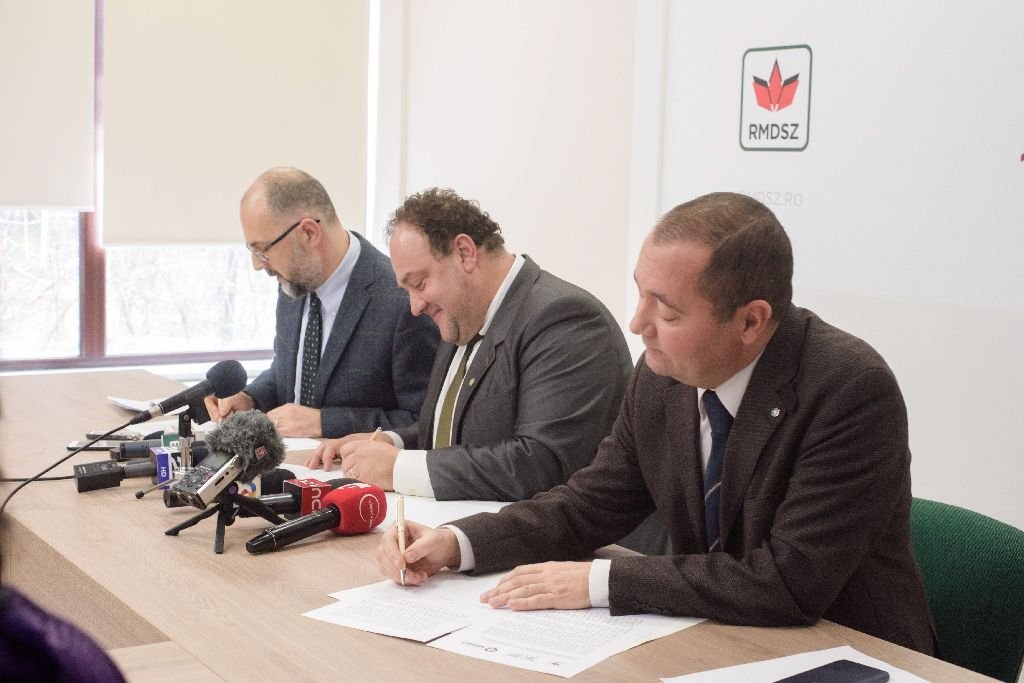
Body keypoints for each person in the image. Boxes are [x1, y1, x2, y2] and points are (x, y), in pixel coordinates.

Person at [375, 192, 937, 654]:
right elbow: (590, 503)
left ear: (751, 321)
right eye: (641, 295)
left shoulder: (848, 390)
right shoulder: (662, 375)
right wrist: (459, 542)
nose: (638, 323)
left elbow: (787, 581)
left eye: (666, 311)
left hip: (848, 652)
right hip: (716, 640)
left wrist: (602, 581)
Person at [307, 187, 633, 505]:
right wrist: (390, 443)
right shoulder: (461, 315)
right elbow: (453, 435)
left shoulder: (563, 317)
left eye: (419, 283)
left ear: (465, 253)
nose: (415, 307)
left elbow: (538, 462)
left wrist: (399, 467)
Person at [206, 168, 439, 438]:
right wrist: (250, 398)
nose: (258, 265)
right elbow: (288, 373)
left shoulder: (402, 300)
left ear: (308, 233)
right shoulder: (294, 281)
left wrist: (324, 422)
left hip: (350, 463)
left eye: (263, 250)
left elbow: (422, 423)